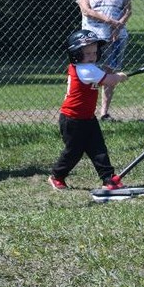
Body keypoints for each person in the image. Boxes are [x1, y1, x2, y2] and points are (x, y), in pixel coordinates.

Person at [48, 29, 129, 191]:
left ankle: (108, 178)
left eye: (94, 52)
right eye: (87, 53)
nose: (92, 56)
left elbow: (98, 79)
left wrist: (105, 72)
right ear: (76, 54)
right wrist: (119, 77)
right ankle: (57, 176)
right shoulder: (86, 69)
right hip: (72, 119)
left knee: (98, 147)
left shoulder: (89, 68)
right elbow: (110, 81)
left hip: (87, 117)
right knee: (74, 151)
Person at [77, 0, 132, 121]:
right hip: (92, 39)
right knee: (90, 73)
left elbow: (128, 9)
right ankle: (86, 111)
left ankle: (104, 113)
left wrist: (118, 27)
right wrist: (109, 20)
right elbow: (86, 10)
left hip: (116, 38)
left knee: (110, 73)